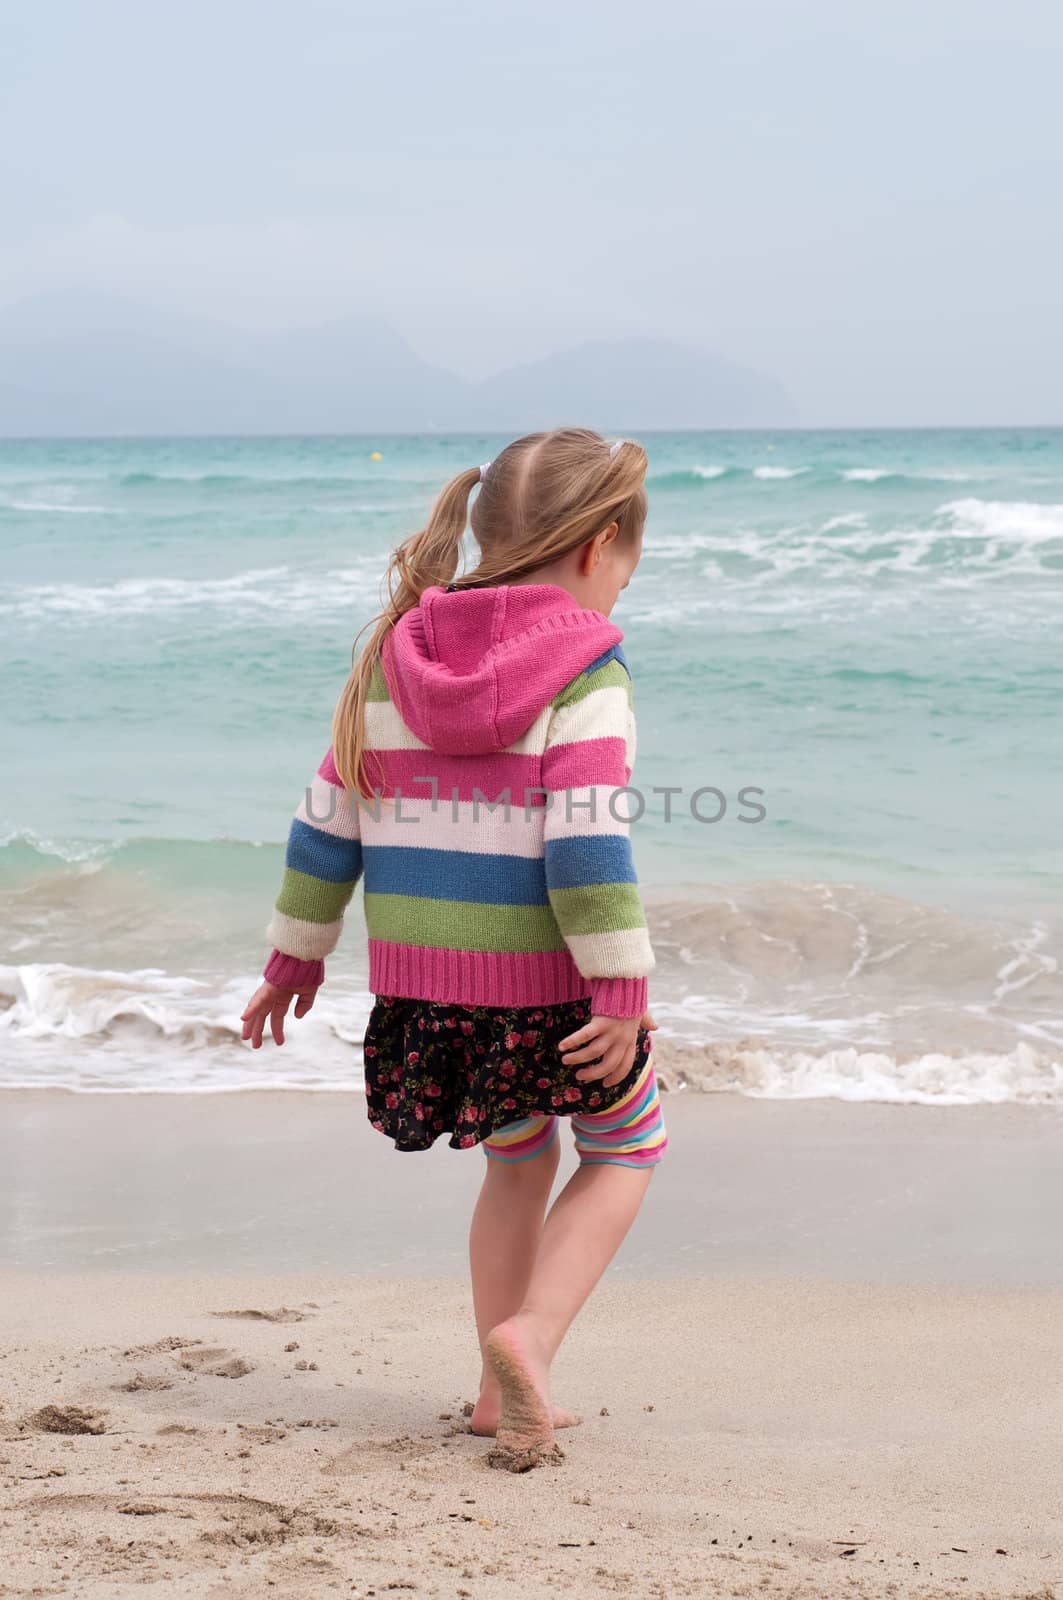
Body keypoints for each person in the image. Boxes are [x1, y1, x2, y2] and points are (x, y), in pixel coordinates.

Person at [241, 427, 666, 1471]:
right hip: (549, 992)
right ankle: (528, 1341)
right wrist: (618, 986)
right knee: (627, 1147)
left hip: (427, 995)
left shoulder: (395, 653)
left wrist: (293, 959)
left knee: (517, 1163)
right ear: (599, 544)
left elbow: (324, 822)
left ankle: (491, 1394)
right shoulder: (585, 665)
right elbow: (584, 841)